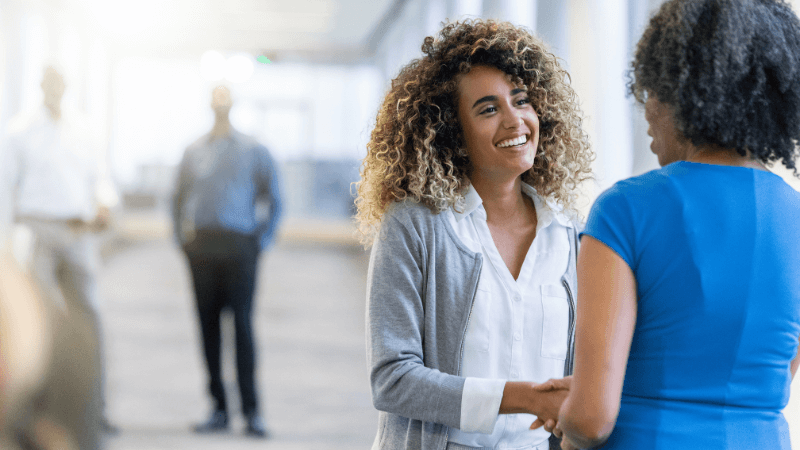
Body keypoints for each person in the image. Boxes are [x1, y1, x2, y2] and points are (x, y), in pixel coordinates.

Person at [541, 0, 800, 448]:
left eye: (651, 92)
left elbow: (592, 420)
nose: (646, 114)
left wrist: (567, 416)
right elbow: (772, 371)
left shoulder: (625, 209)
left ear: (681, 92)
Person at [357, 19, 593, 450]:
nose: (514, 120)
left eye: (521, 101)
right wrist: (523, 397)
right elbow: (392, 379)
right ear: (453, 133)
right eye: (488, 109)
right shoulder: (415, 227)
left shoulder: (571, 234)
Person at [3, 65, 119, 445]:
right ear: (40, 87)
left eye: (60, 83)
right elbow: (6, 190)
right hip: (37, 229)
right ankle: (33, 410)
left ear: (66, 87)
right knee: (38, 319)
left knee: (90, 317)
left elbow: (100, 177)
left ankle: (94, 408)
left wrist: (103, 203)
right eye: (48, 83)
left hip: (78, 231)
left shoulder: (84, 129)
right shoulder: (19, 132)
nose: (54, 88)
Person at [172, 85, 282, 438]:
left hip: (240, 248)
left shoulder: (254, 150)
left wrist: (262, 242)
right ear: (210, 106)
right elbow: (176, 198)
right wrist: (182, 241)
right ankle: (218, 408)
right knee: (208, 329)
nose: (221, 107)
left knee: (243, 329)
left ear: (232, 106)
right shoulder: (193, 151)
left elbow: (275, 198)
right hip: (202, 248)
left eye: (226, 101)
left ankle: (252, 412)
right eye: (215, 101)